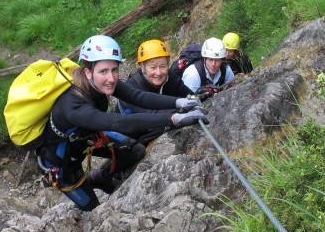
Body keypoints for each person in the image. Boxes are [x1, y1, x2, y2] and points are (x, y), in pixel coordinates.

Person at [35, 35, 206, 212]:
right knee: (93, 210)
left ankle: (102, 178)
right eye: (104, 71)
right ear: (88, 72)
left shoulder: (101, 82)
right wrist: (174, 118)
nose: (111, 77)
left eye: (114, 69)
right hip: (63, 162)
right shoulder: (72, 106)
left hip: (86, 137)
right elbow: (117, 122)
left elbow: (138, 97)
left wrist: (178, 102)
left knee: (135, 150)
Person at [115, 39, 194, 115]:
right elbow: (150, 115)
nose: (159, 73)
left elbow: (189, 96)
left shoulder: (171, 78)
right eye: (153, 67)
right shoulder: (131, 88)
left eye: (163, 66)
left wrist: (201, 95)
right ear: (142, 67)